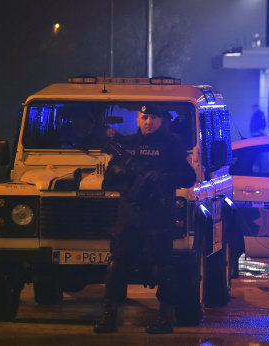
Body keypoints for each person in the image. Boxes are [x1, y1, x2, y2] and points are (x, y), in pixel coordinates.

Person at [94, 104, 196, 334]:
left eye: (153, 117)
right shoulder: (127, 146)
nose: (148, 121)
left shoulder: (171, 146)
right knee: (117, 266)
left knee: (162, 267)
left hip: (157, 217)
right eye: (144, 117)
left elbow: (189, 177)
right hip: (129, 216)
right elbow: (107, 181)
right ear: (138, 120)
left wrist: (162, 177)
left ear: (161, 120)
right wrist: (120, 173)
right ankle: (109, 315)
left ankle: (165, 317)